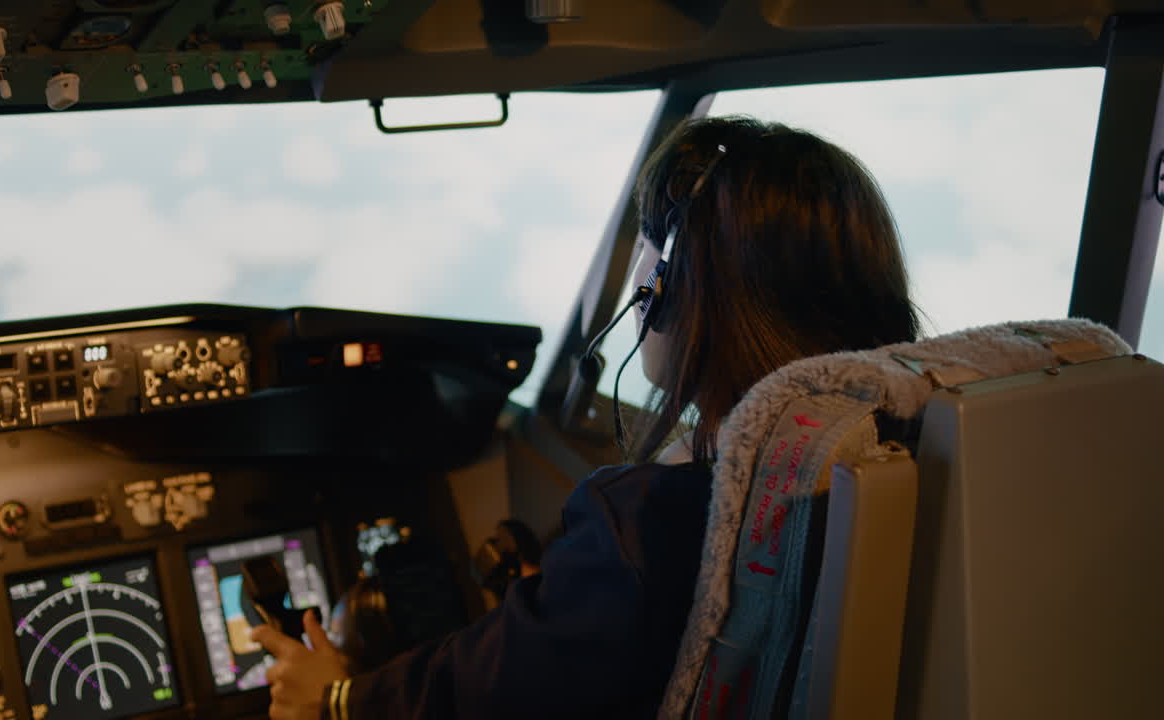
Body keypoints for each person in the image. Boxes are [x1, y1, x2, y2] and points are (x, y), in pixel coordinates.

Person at [251, 115, 922, 720]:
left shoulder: (654, 523)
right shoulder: (904, 450)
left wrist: (337, 698)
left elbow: (486, 691)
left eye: (648, 243)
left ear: (666, 287)